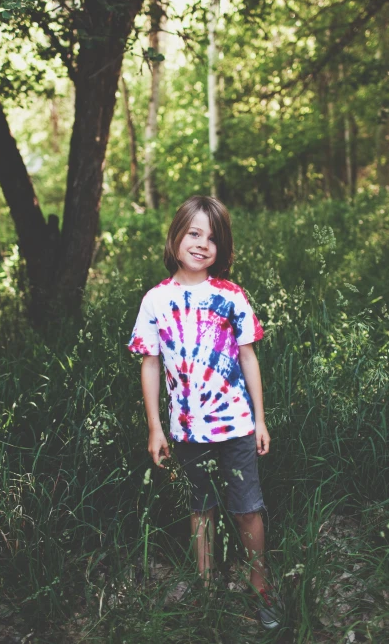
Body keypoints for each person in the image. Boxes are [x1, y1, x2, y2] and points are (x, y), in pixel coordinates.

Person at [127, 195, 282, 629]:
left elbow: (249, 358)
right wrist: (156, 428)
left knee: (247, 507)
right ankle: (208, 587)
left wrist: (260, 420)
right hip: (186, 431)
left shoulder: (231, 296)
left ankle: (259, 583)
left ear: (222, 248)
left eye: (212, 238)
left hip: (235, 424)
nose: (202, 244)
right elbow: (151, 363)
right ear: (176, 236)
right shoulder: (156, 300)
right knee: (201, 508)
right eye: (194, 233)